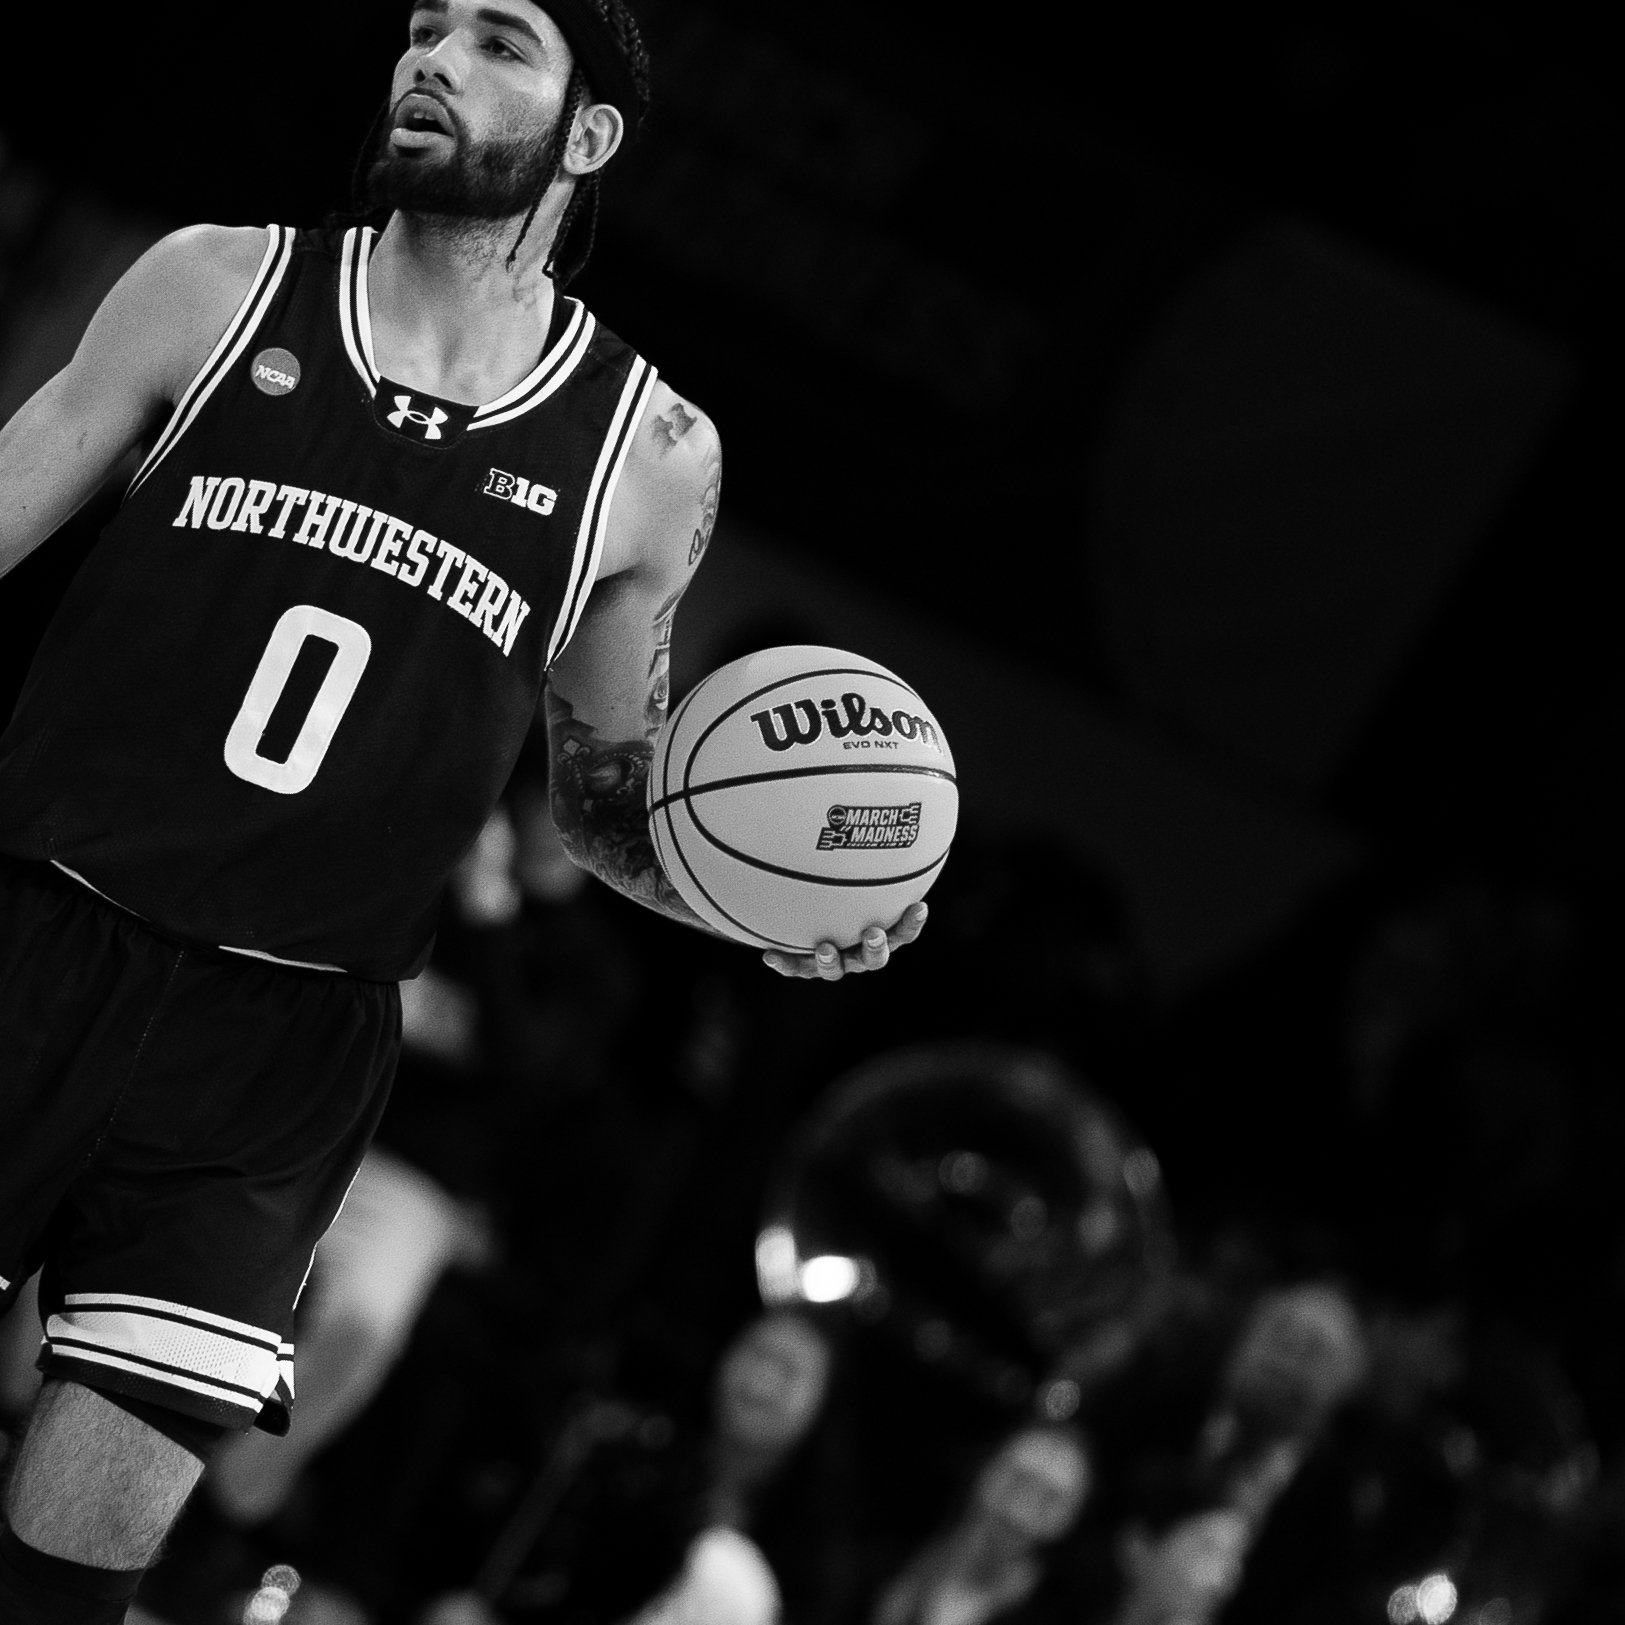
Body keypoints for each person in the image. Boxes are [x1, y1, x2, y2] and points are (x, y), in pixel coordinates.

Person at [0, 2, 927, 1618]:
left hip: (280, 1050)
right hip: (37, 925)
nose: (431, 60)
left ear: (588, 134)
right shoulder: (219, 283)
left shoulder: (649, 454)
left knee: (68, 1575)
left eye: (498, 42)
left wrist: (767, 909)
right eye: (426, 28)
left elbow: (607, 810)